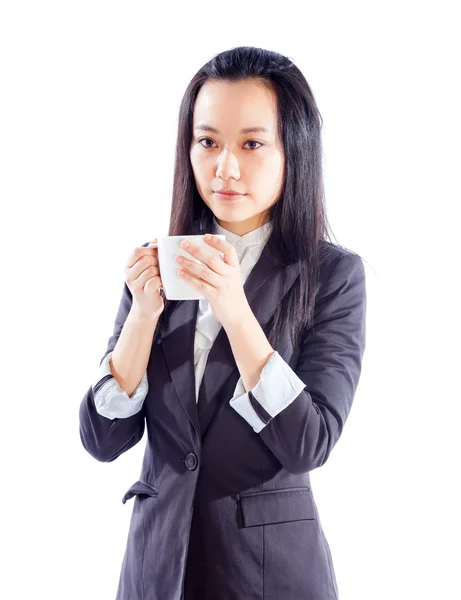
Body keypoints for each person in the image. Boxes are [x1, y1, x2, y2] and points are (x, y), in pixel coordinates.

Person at [79, 45, 367, 600]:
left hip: (267, 575)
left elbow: (309, 442)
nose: (224, 167)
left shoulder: (333, 275)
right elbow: (102, 437)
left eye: (252, 144)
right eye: (207, 141)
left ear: (294, 152)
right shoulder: (157, 264)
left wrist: (234, 309)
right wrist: (143, 314)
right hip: (156, 570)